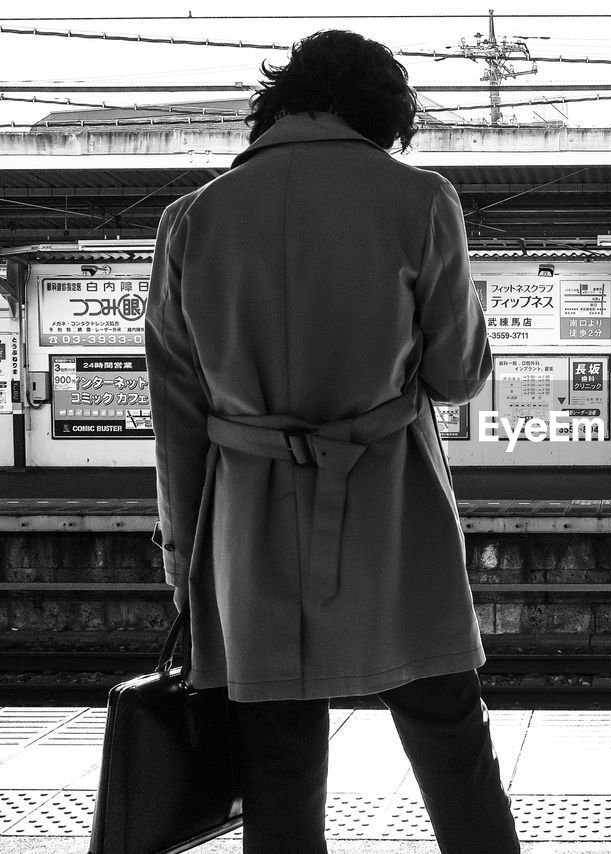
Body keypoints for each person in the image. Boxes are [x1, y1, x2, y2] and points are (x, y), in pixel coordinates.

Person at [145, 30, 519, 854]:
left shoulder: (193, 219)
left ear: (278, 102)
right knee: (451, 740)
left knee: (277, 763)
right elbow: (458, 375)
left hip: (249, 520)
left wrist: (183, 553)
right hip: (390, 504)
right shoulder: (419, 200)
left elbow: (176, 416)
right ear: (384, 118)